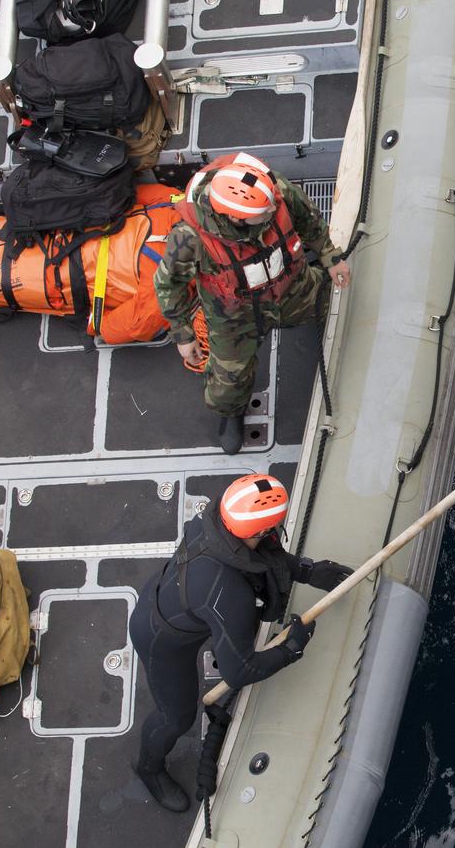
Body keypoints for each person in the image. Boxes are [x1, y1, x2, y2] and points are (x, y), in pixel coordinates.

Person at [128, 474, 353, 811]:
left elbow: (265, 557)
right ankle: (148, 768)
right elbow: (240, 670)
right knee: (176, 717)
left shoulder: (222, 521)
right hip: (162, 639)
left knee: (219, 628)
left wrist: (307, 571)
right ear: (258, 531)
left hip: (175, 600)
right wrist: (292, 647)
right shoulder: (229, 595)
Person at [153, 152, 353, 454]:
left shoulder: (273, 192)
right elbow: (169, 284)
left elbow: (308, 218)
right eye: (264, 212)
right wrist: (183, 335)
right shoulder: (189, 239)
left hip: (292, 288)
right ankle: (232, 413)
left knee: (338, 308)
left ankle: (343, 355)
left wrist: (329, 255)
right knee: (226, 385)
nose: (273, 208)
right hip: (235, 316)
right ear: (236, 218)